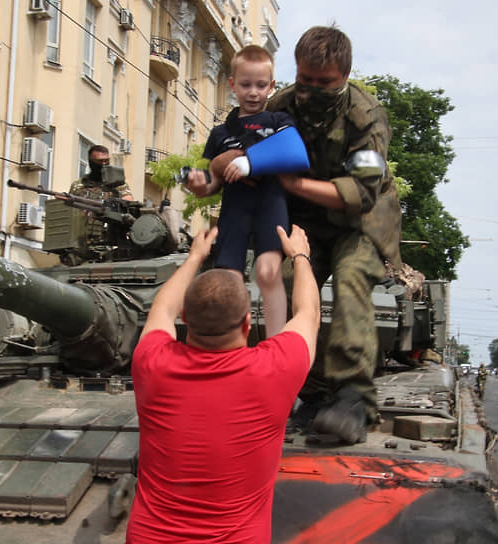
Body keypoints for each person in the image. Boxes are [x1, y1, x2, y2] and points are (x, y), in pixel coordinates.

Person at [249, 25, 402, 443]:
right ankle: (310, 391)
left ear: (345, 77)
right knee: (284, 283)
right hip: (306, 222)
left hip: (361, 221)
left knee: (352, 278)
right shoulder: (279, 108)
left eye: (325, 83)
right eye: (306, 80)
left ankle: (354, 396)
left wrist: (294, 185)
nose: (313, 89)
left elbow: (363, 193)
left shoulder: (366, 117)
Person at [126, 224, 319, 543]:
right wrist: (300, 255)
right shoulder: (275, 369)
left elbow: (161, 308)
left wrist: (194, 258)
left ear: (185, 318)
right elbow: (308, 312)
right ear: (246, 323)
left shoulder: (152, 363)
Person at [186, 45, 295, 338]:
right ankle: (235, 347)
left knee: (268, 272)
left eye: (261, 85)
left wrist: (251, 161)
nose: (253, 92)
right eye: (246, 84)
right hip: (235, 209)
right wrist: (200, 186)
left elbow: (294, 153)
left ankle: (276, 345)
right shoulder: (220, 133)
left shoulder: (279, 122)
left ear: (272, 86)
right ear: (232, 84)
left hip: (270, 203)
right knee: (230, 281)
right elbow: (211, 182)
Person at [69, 144, 134, 200]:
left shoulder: (117, 183)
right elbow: (69, 206)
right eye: (100, 161)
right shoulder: (78, 185)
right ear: (91, 162)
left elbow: (128, 200)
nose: (104, 164)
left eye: (106, 160)